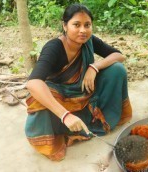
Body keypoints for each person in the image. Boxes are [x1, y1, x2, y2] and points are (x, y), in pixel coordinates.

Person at [25, 3, 133, 161]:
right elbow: (33, 82)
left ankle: (95, 119)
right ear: (65, 26)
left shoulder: (89, 41)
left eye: (87, 25)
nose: (83, 30)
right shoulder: (54, 47)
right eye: (76, 25)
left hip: (84, 94)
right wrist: (65, 115)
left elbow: (119, 55)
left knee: (117, 70)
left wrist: (94, 67)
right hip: (60, 100)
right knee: (38, 97)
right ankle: (61, 129)